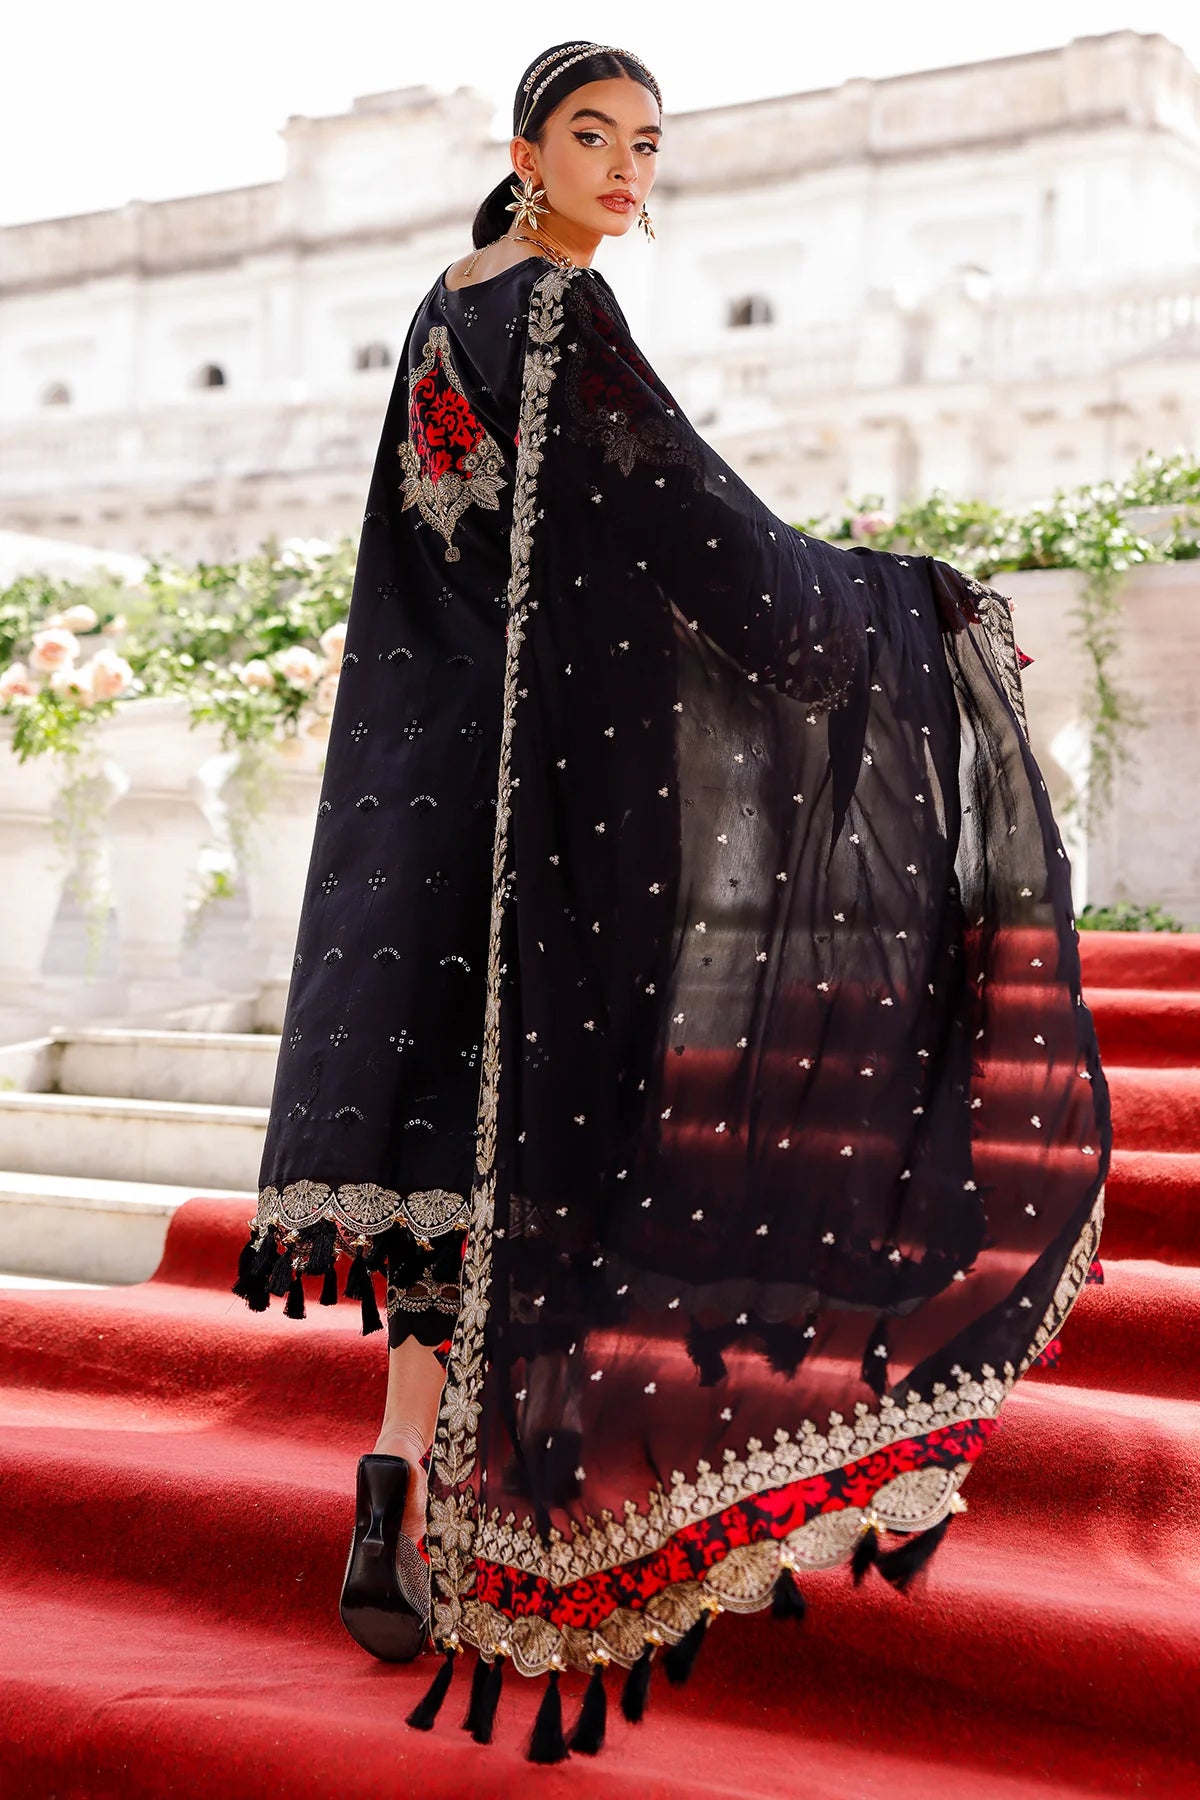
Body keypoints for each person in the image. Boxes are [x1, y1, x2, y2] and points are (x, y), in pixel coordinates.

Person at [232, 40, 1111, 1765]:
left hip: (428, 792)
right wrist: (898, 602)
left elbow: (449, 558)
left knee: (454, 1149)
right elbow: (704, 533)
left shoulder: (443, 308)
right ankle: (493, 1528)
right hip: (542, 803)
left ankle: (392, 1487)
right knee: (536, 1146)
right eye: (592, 136)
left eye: (647, 142)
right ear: (525, 149)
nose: (626, 170)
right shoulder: (561, 311)